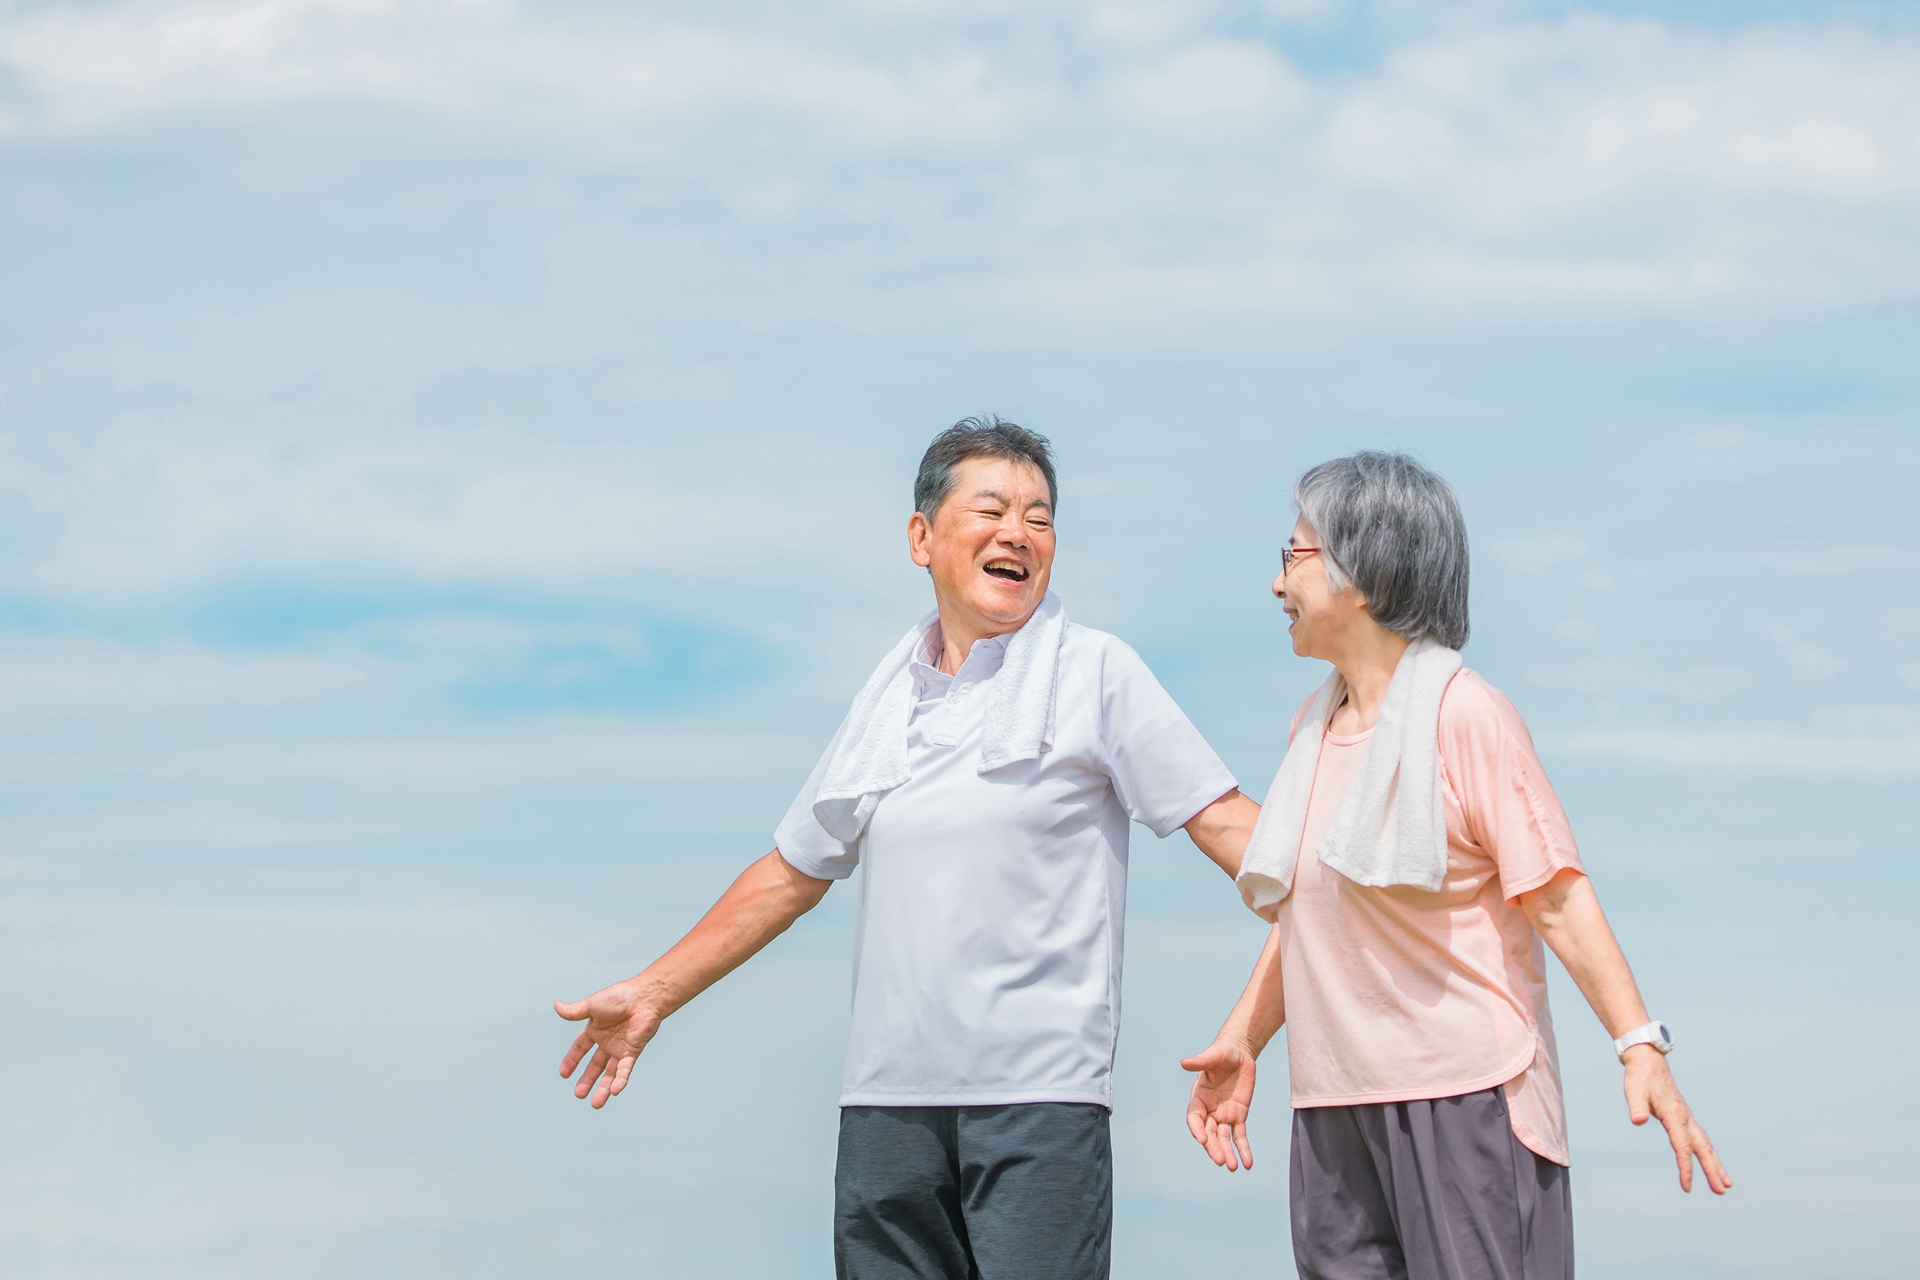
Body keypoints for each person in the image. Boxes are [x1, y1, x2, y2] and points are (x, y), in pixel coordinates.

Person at [556, 417, 1260, 1280]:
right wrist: (656, 991)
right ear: (923, 538)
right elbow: (792, 870)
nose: (1018, 534)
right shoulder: (887, 699)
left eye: (1040, 519)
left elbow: (1227, 825)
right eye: (993, 510)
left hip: (1038, 1103)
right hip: (886, 1109)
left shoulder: (1097, 673)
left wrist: (1369, 896)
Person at [1180, 451, 1731, 1280]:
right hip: (1333, 1109)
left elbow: (1557, 898)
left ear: (1361, 574)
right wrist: (1241, 1040)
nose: (1275, 585)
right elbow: (1314, 920)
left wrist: (1640, 1047)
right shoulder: (1312, 727)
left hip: (1465, 1097)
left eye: (1291, 557)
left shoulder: (1466, 715)